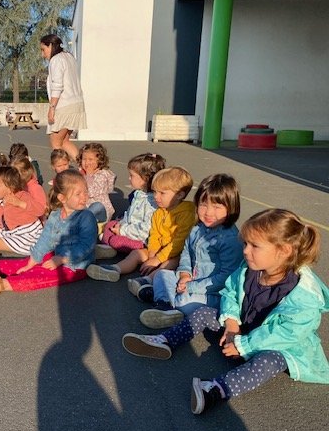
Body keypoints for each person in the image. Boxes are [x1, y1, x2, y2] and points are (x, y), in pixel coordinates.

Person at [122, 208, 329, 415]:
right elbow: (230, 291)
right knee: (204, 313)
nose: (245, 251)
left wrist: (244, 345)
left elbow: (287, 334)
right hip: (242, 328)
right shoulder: (249, 269)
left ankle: (216, 390)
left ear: (284, 250)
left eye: (254, 246)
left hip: (273, 344)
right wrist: (231, 322)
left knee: (271, 361)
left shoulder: (304, 295)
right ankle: (165, 341)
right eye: (245, 244)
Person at [137, 174, 244, 329]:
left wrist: (191, 287)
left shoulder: (230, 239)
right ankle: (165, 305)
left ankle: (167, 303)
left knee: (184, 301)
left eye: (217, 207)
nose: (208, 212)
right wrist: (184, 273)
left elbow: (226, 278)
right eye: (203, 205)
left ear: (232, 208)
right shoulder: (197, 229)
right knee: (161, 275)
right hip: (189, 281)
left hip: (213, 293)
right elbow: (187, 253)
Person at [0, 169, 97, 296]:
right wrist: (32, 262)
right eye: (78, 194)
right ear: (62, 198)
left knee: (43, 274)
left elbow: (86, 245)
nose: (84, 197)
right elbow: (45, 240)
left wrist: (62, 259)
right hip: (57, 255)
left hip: (76, 265)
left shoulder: (86, 217)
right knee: (26, 263)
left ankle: (2, 284)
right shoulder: (55, 215)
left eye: (85, 192)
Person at [87, 166, 196, 283]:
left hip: (176, 252)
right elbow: (154, 234)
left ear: (179, 195)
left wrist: (158, 259)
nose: (156, 196)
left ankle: (147, 280)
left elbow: (178, 242)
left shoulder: (186, 213)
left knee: (170, 263)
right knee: (136, 254)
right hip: (159, 250)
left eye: (162, 193)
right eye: (155, 192)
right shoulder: (159, 212)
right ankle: (115, 269)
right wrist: (152, 252)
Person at [95, 153, 165, 259]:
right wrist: (121, 224)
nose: (129, 178)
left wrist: (122, 230)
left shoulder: (152, 202)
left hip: (141, 239)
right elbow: (130, 214)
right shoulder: (139, 193)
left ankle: (108, 244)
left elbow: (145, 230)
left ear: (145, 179)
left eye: (132, 176)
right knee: (111, 224)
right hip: (129, 229)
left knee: (116, 241)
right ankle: (108, 244)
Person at [40, 34, 86, 160]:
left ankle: (63, 171)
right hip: (76, 104)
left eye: (43, 49)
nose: (42, 54)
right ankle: (83, 168)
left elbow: (57, 85)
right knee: (64, 141)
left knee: (56, 143)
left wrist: (52, 108)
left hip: (63, 106)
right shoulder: (69, 57)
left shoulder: (56, 60)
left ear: (51, 45)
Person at [77, 142, 116, 222]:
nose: (87, 163)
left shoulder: (102, 175)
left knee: (97, 206)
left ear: (99, 160)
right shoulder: (82, 174)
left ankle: (81, 221)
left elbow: (91, 192)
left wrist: (89, 175)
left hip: (101, 210)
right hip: (85, 206)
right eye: (84, 159)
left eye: (90, 159)